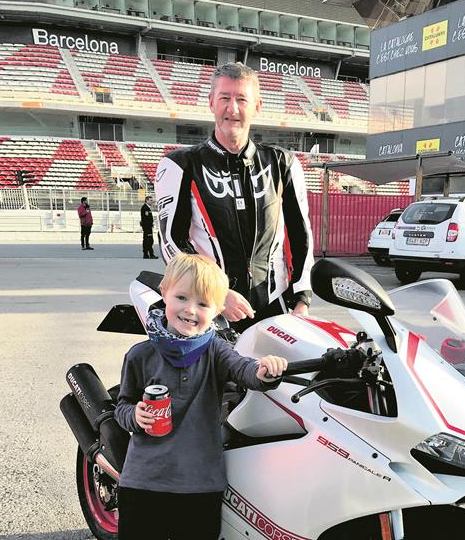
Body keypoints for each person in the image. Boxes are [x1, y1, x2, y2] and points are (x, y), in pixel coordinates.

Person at [113, 253, 288, 540]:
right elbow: (122, 406)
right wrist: (134, 415)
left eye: (203, 303)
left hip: (199, 485)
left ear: (217, 309)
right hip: (144, 481)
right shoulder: (139, 355)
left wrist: (265, 371)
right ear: (163, 293)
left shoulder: (215, 350)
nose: (191, 310)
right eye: (181, 297)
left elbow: (243, 369)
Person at [155, 62, 314, 331]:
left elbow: (301, 235)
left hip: (274, 305)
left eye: (242, 99)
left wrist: (302, 299)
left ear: (257, 106)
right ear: (211, 103)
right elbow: (172, 242)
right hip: (206, 309)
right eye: (225, 98)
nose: (233, 108)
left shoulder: (283, 163)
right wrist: (218, 293)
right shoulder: (180, 164)